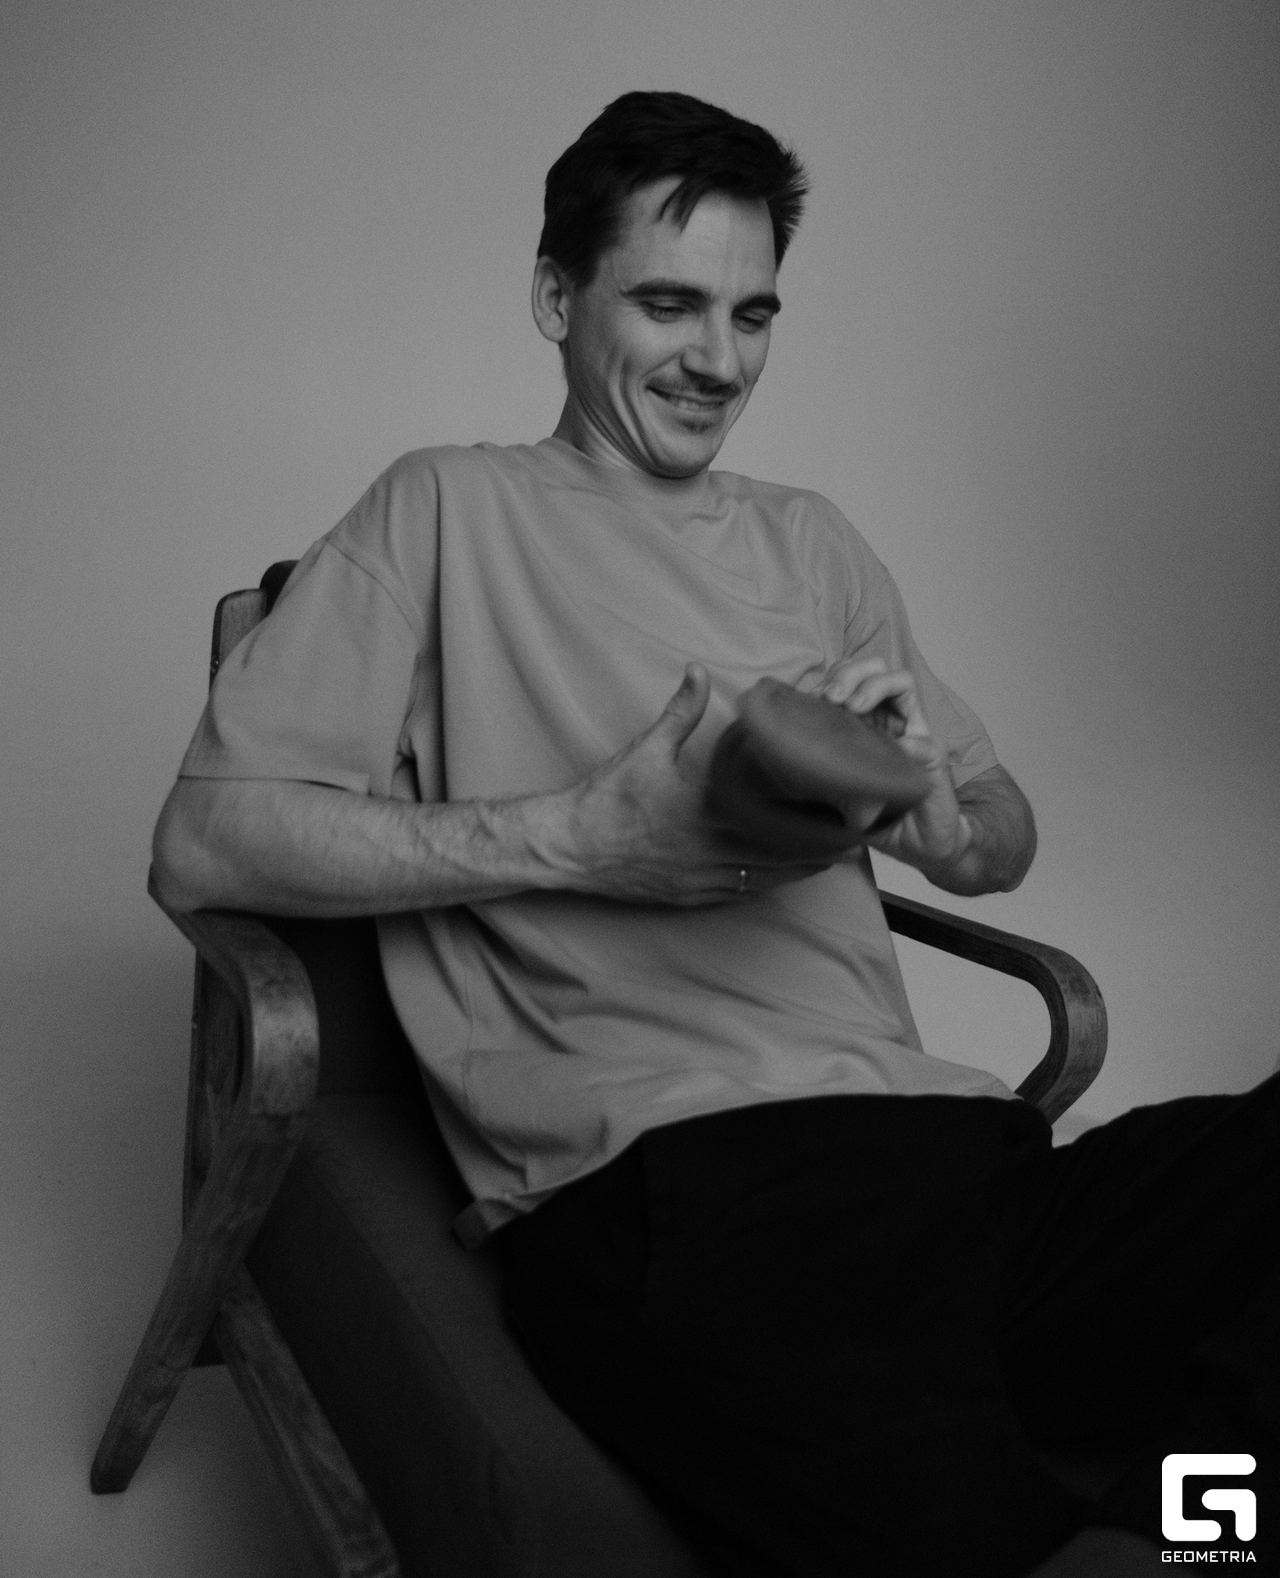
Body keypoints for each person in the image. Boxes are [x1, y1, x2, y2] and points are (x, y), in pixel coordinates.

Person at [153, 93, 1276, 1576]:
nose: (720, 361)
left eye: (753, 315)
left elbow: (1001, 832)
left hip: (964, 1168)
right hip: (687, 1201)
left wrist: (942, 818)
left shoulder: (813, 542)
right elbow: (207, 842)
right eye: (670, 305)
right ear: (556, 297)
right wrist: (580, 838)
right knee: (972, 1531)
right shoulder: (443, 511)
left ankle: (1202, 1529)